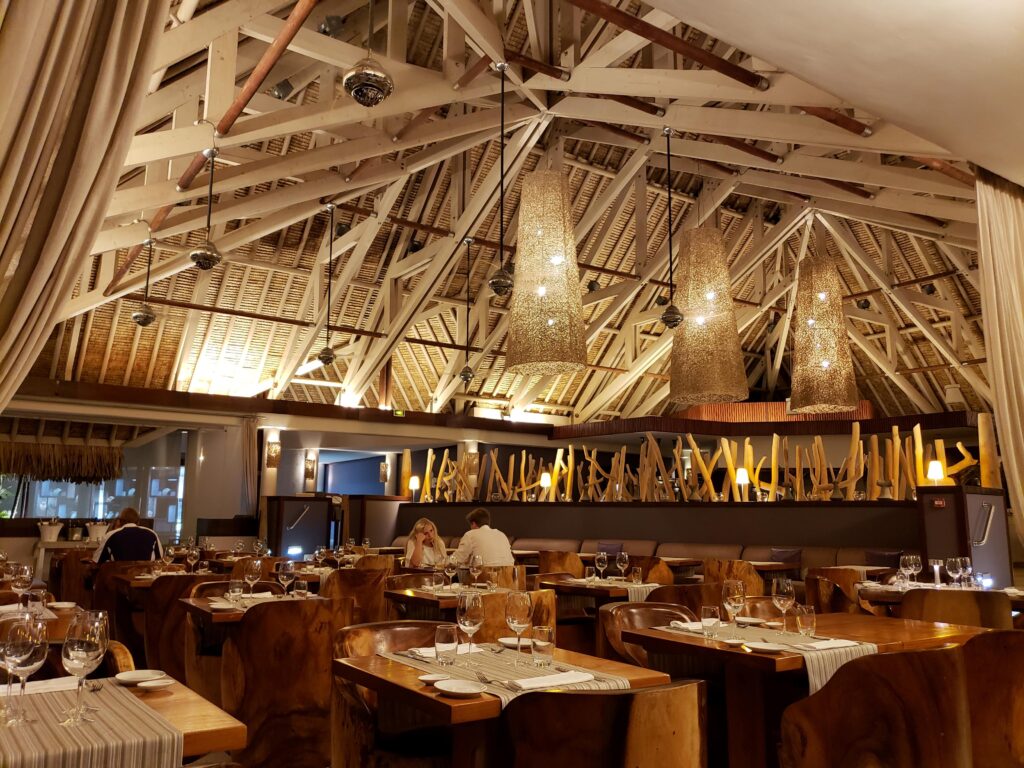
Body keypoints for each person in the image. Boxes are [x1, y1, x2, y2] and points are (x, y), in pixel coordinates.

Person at [92, 507, 163, 563]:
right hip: (146, 578)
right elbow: (160, 558)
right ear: (138, 521)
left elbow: (96, 561)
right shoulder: (152, 534)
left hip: (117, 578)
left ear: (120, 521)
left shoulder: (111, 535)